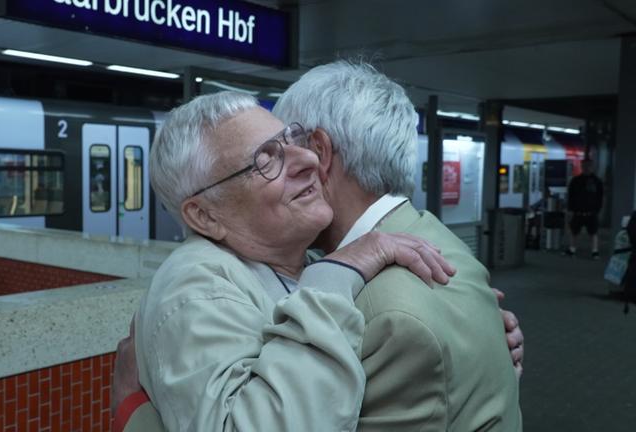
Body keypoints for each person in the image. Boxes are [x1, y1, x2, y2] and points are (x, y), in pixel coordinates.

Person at [130, 90, 455, 431]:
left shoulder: (296, 262)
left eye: (293, 139)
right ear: (205, 216)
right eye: (266, 159)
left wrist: (438, 317)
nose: (310, 160)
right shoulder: (196, 288)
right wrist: (337, 275)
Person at [272, 59, 522, 429]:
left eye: (281, 154)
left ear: (319, 154)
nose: (275, 178)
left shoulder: (386, 316)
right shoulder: (439, 238)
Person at [565, 159, 604, 258]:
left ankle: (594, 251)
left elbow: (600, 197)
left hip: (591, 212)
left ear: (591, 166)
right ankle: (572, 249)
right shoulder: (576, 180)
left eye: (587, 166)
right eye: (583, 166)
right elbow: (571, 196)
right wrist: (570, 209)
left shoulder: (596, 181)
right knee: (574, 231)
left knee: (593, 232)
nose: (585, 168)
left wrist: (597, 209)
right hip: (578, 211)